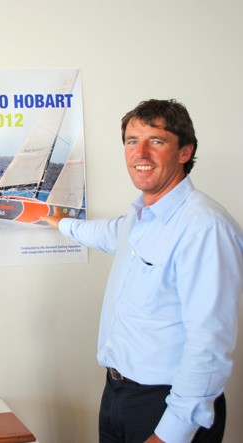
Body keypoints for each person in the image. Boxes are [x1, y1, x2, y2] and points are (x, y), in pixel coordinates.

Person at [42, 99, 242, 443]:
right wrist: (61, 223)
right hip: (119, 395)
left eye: (157, 141)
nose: (141, 153)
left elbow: (209, 344)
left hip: (167, 407)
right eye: (132, 141)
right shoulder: (139, 218)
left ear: (184, 152)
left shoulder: (204, 228)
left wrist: (171, 433)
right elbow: (105, 233)